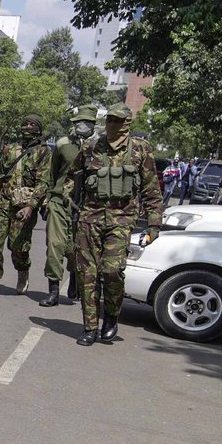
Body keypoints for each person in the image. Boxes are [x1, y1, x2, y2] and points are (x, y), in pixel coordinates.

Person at [69, 104, 163, 345]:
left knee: (112, 272)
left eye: (118, 121)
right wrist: (71, 203)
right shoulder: (91, 147)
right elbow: (72, 177)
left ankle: (111, 315)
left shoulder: (140, 149)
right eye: (110, 119)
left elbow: (151, 189)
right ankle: (90, 326)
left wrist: (154, 224)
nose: (112, 124)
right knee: (87, 274)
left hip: (121, 219)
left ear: (127, 123)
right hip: (90, 218)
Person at [0, 114, 51, 297]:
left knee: (18, 247)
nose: (28, 127)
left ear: (39, 129)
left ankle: (23, 271)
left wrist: (31, 206)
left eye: (32, 124)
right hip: (3, 202)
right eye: (25, 124)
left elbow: (43, 182)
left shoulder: (43, 152)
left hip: (24, 205)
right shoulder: (10, 149)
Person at [39, 105, 97, 307]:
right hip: (59, 199)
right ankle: (53, 291)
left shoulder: (99, 147)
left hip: (84, 205)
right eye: (80, 121)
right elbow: (53, 173)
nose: (83, 125)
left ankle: (74, 278)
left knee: (75, 248)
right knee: (54, 245)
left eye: (87, 122)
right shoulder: (63, 143)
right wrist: (46, 199)